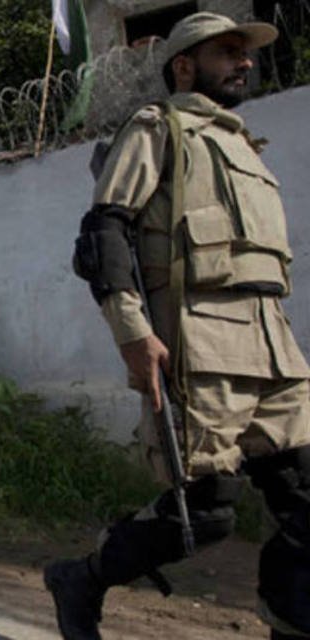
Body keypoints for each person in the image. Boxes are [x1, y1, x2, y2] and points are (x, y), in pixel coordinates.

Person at [49, 12, 310, 640]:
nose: (244, 62)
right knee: (206, 513)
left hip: (276, 351)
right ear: (185, 66)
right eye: (228, 52)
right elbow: (105, 232)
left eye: (245, 53)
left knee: (308, 505)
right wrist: (132, 333)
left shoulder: (246, 144)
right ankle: (82, 577)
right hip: (203, 347)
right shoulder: (159, 127)